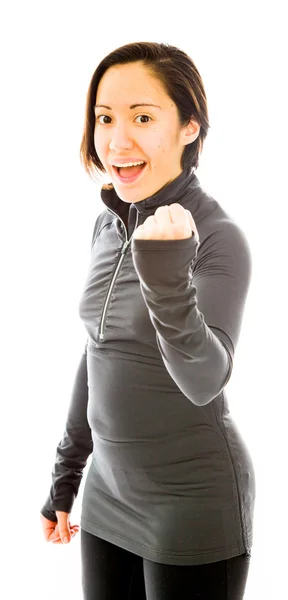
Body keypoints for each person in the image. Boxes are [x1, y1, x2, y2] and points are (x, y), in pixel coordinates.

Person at [40, 41, 256, 599]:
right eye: (105, 118)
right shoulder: (107, 225)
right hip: (108, 493)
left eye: (142, 117)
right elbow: (99, 349)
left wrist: (164, 272)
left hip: (191, 502)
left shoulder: (216, 236)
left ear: (189, 126)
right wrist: (67, 476)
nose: (117, 140)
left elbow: (204, 378)